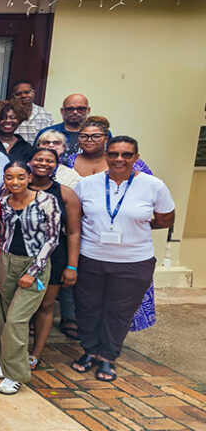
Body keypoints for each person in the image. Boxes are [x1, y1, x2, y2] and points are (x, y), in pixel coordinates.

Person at [69, 136, 175, 382]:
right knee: (87, 307)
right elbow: (77, 218)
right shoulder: (87, 185)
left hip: (134, 261)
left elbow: (165, 219)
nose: (119, 159)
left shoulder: (153, 185)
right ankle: (90, 351)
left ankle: (108, 356)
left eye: (126, 154)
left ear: (136, 157)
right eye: (114, 154)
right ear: (106, 156)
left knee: (119, 311)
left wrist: (134, 227)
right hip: (91, 257)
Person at [0, 161, 60, 395]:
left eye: (20, 177)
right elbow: (0, 236)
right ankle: (5, 364)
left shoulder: (47, 201)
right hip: (6, 261)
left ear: (29, 177)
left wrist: (33, 271)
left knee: (16, 320)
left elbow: (52, 239)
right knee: (2, 317)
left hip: (35, 264)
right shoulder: (2, 203)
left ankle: (16, 374)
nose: (15, 182)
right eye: (9, 177)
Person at [27, 148, 81, 368]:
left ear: (56, 165)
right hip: (21, 253)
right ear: (30, 162)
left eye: (49, 161)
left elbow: (74, 232)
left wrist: (72, 266)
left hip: (54, 256)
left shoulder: (65, 193)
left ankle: (36, 354)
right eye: (38, 159)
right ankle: (13, 351)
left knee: (46, 306)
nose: (43, 163)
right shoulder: (17, 186)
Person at [67, 116, 152, 177]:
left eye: (96, 136)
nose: (89, 140)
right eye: (83, 136)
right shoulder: (69, 161)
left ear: (106, 139)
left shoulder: (128, 160)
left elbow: (151, 186)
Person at [37, 94, 95, 159]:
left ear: (88, 110)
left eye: (80, 109)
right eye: (69, 109)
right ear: (62, 111)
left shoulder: (97, 135)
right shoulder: (47, 133)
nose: (75, 112)